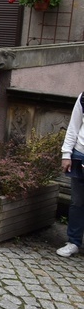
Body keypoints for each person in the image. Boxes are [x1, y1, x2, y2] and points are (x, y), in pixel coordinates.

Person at [58, 93, 84, 257]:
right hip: (80, 154)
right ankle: (74, 242)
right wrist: (66, 154)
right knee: (77, 202)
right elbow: (74, 126)